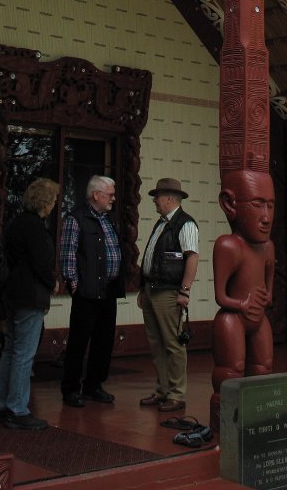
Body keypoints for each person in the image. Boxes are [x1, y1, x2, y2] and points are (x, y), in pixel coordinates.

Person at [0, 177, 60, 430]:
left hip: (11, 293)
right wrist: (52, 282)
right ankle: (17, 409)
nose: (53, 204)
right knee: (24, 353)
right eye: (52, 200)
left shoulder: (16, 223)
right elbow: (42, 263)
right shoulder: (36, 227)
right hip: (30, 295)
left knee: (11, 348)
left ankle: (0, 404)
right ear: (45, 202)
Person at [59, 174, 124, 407]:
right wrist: (75, 284)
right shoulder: (76, 218)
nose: (113, 199)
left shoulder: (109, 219)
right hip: (86, 292)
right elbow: (67, 255)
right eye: (110, 194)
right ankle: (70, 389)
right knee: (78, 342)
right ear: (96, 195)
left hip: (108, 291)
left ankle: (94, 385)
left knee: (104, 341)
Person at [137, 177, 199, 413]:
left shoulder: (185, 224)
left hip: (169, 291)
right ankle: (163, 390)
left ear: (170, 199)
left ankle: (176, 393)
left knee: (172, 344)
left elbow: (192, 257)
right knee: (157, 343)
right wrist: (144, 287)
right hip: (154, 289)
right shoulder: (163, 223)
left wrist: (184, 291)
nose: (155, 201)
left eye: (158, 196)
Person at [211, 170, 275, 393]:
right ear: (230, 204)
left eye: (270, 205)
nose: (266, 217)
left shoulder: (267, 247)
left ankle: (257, 417)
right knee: (231, 369)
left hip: (258, 317)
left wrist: (266, 297)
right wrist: (241, 305)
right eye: (258, 204)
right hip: (233, 318)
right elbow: (220, 297)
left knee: (263, 367)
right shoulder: (228, 246)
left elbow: (269, 287)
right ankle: (227, 416)